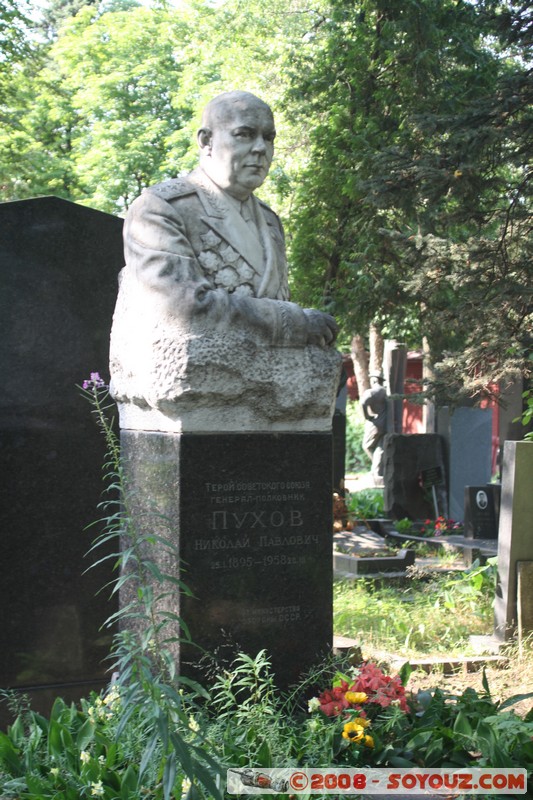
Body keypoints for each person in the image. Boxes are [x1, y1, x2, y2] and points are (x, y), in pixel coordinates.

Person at [118, 90, 337, 348]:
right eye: (244, 134)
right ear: (206, 141)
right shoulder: (161, 208)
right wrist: (295, 322)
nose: (260, 148)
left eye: (268, 138)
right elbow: (182, 307)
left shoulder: (270, 221)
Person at [361, 374, 388, 486]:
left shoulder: (371, 392)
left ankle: (376, 469)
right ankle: (378, 471)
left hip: (375, 423)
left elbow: (363, 403)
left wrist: (367, 416)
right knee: (379, 447)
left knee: (366, 446)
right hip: (385, 423)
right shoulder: (386, 392)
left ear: (374, 380)